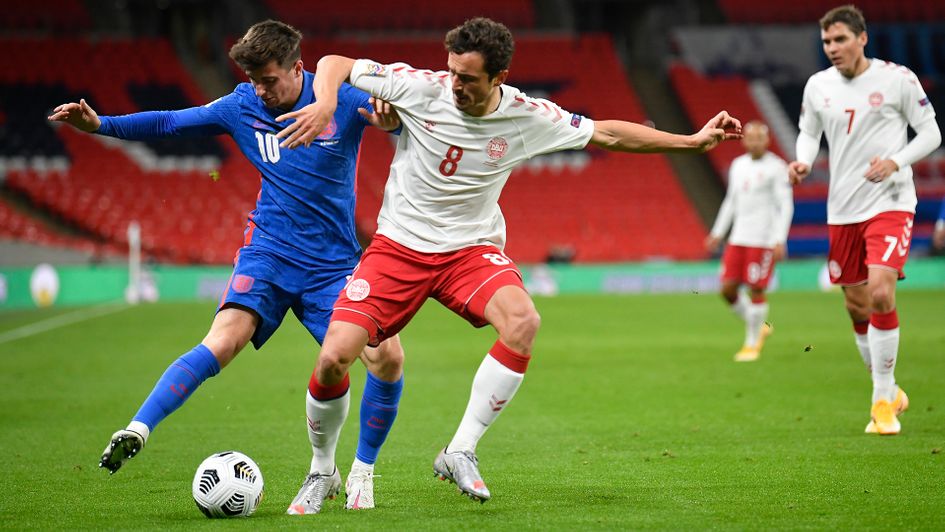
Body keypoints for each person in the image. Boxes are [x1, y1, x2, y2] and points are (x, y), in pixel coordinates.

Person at [272, 17, 741, 504]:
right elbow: (335, 63)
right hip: (398, 248)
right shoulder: (421, 87)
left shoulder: (526, 115)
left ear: (499, 77)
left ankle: (461, 449)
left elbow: (609, 135)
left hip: (469, 251)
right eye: (453, 71)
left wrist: (691, 141)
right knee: (332, 359)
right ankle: (322, 470)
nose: (455, 84)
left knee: (523, 321)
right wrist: (325, 100)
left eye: (468, 78)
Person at [48, 20, 406, 512]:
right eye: (254, 80)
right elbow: (171, 122)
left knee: (386, 358)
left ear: (298, 68)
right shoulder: (243, 106)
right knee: (221, 340)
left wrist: (394, 120)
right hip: (268, 254)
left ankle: (362, 469)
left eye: (269, 80)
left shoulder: (341, 101)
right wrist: (101, 125)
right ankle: (139, 427)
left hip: (333, 265)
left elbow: (407, 117)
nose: (261, 90)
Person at [787, 6, 941, 435]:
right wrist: (802, 162)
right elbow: (808, 133)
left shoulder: (898, 79)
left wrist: (896, 161)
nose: (832, 49)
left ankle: (881, 403)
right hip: (843, 208)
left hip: (890, 200)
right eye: (826, 42)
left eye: (839, 40)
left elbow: (931, 133)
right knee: (855, 304)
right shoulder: (818, 86)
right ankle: (890, 390)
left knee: (879, 292)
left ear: (862, 38)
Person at [705, 121, 793, 362]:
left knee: (756, 288)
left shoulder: (776, 167)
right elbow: (731, 201)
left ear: (767, 141)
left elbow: (784, 204)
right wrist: (718, 232)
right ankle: (759, 326)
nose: (754, 142)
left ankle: (752, 343)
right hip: (738, 238)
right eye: (750, 138)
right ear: (744, 141)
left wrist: (779, 238)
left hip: (762, 239)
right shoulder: (738, 165)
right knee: (727, 289)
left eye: (759, 138)